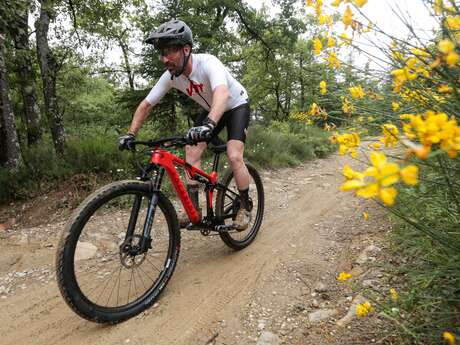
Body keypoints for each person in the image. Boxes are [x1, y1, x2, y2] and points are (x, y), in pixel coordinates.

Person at [118, 19, 252, 230]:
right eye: (161, 53)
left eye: (170, 51)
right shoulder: (171, 77)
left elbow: (222, 93)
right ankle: (195, 211)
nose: (164, 59)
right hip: (211, 110)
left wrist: (209, 124)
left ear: (186, 49)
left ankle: (245, 206)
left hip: (235, 105)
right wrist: (130, 133)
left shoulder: (208, 63)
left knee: (234, 155)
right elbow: (146, 105)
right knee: (191, 153)